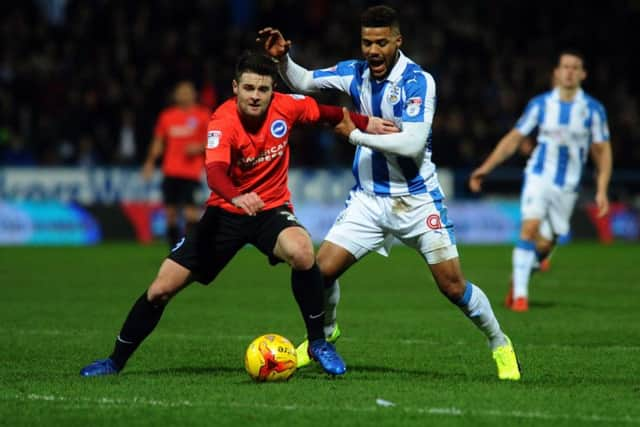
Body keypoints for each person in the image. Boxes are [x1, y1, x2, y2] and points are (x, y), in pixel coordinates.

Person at [80, 52, 398, 377]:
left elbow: (330, 114)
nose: (256, 96)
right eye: (249, 88)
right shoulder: (222, 119)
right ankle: (114, 361)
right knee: (161, 288)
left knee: (303, 252)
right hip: (224, 215)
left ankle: (318, 342)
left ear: (273, 89)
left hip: (270, 210)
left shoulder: (287, 107)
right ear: (236, 88)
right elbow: (214, 173)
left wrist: (366, 122)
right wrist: (236, 195)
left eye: (262, 89)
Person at [258, 5, 521, 380]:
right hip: (368, 200)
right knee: (320, 273)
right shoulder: (354, 73)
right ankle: (326, 334)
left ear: (398, 40)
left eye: (381, 42)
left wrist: (356, 135)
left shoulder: (418, 81)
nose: (373, 50)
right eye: (367, 42)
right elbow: (303, 81)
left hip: (415, 198)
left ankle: (500, 343)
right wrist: (284, 59)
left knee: (451, 285)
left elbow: (413, 144)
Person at [469, 50, 612, 312]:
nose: (569, 72)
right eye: (565, 67)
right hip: (538, 174)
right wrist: (486, 168)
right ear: (556, 73)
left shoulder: (593, 110)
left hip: (568, 185)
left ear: (583, 74)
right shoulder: (540, 104)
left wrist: (602, 189)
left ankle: (520, 277)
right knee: (529, 229)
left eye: (575, 67)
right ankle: (521, 297)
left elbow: (602, 151)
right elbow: (514, 138)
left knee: (547, 243)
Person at [142, 81, 211, 249]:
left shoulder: (203, 115)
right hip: (171, 172)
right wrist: (150, 162)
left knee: (191, 215)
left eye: (187, 92)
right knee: (170, 214)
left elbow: (214, 140)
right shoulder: (167, 116)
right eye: (181, 92)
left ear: (194, 94)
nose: (184, 95)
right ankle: (174, 253)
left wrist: (199, 147)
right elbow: (159, 141)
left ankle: (191, 250)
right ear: (175, 95)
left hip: (191, 174)